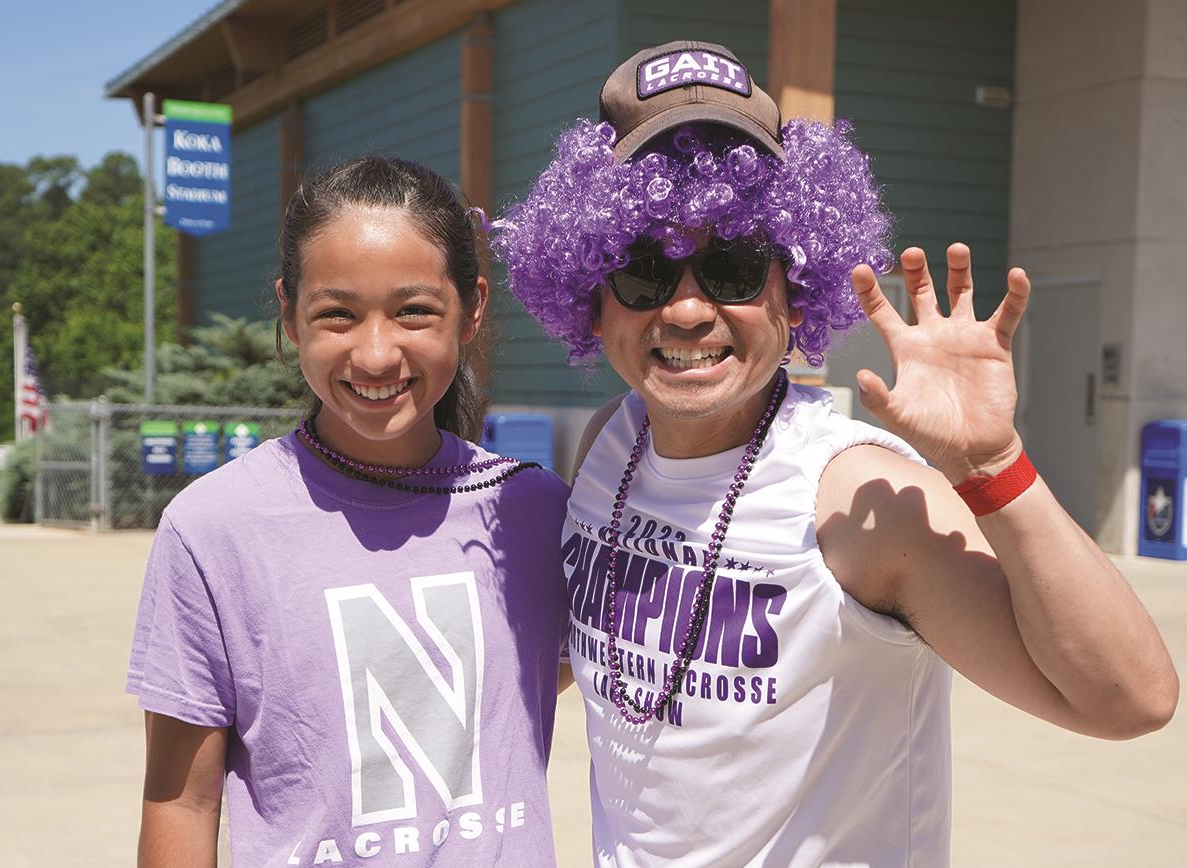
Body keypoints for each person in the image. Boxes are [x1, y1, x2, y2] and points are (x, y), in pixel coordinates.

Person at [493, 41, 1179, 867]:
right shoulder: (613, 442)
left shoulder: (857, 497)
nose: (684, 310)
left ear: (794, 287)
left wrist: (991, 465)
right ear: (590, 297)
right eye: (643, 271)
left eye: (734, 268)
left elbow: (1127, 699)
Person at [127, 155, 571, 867]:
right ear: (289, 315)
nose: (374, 353)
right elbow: (183, 801)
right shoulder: (212, 527)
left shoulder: (538, 511)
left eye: (413, 311)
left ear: (473, 309)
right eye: (337, 313)